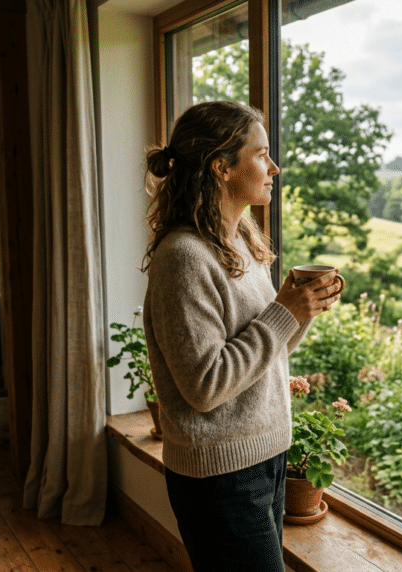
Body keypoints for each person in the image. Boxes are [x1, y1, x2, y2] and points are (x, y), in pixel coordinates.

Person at [141, 100, 342, 571]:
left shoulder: (238, 241)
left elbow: (266, 351)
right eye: (261, 154)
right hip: (220, 475)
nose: (274, 167)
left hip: (265, 456)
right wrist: (283, 312)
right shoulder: (184, 256)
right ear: (222, 167)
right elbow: (205, 385)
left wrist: (301, 309)